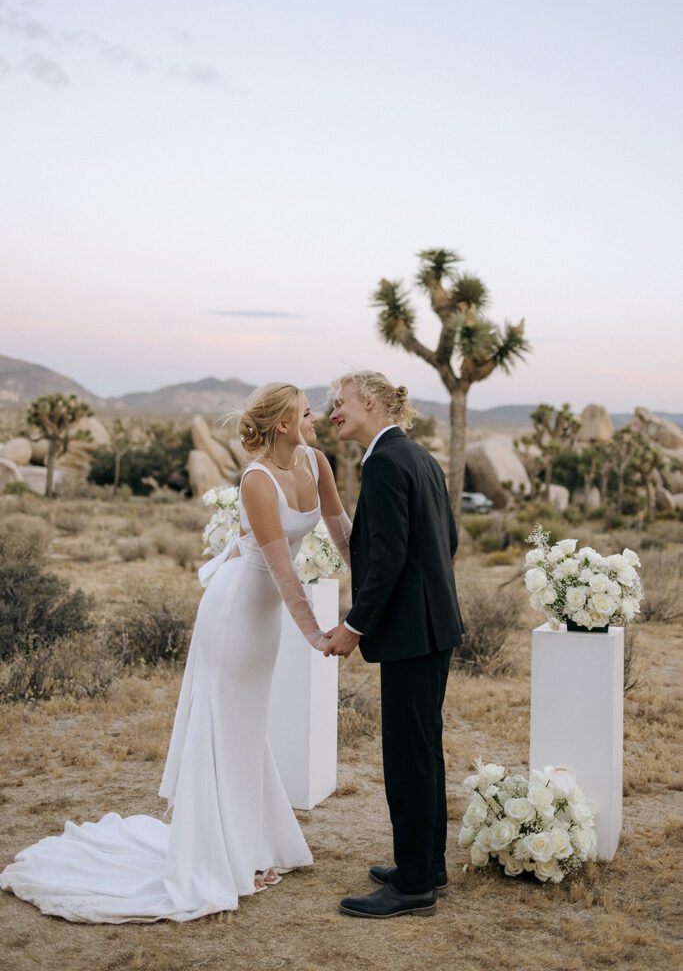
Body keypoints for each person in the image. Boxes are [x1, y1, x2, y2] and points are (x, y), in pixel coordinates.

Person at [0, 383, 352, 922]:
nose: (316, 419)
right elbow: (282, 571)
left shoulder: (318, 463)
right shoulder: (256, 481)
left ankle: (250, 847)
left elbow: (341, 532)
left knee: (246, 727)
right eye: (306, 414)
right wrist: (315, 635)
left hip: (265, 622)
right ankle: (228, 855)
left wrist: (375, 587)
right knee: (223, 727)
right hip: (236, 613)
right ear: (283, 423)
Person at [324, 370, 464, 919]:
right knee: (423, 748)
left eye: (341, 403)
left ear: (373, 403)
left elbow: (384, 559)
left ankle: (412, 886)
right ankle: (428, 865)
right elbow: (446, 539)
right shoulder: (422, 458)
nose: (333, 412)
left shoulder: (383, 462)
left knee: (407, 756)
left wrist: (354, 627)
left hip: (410, 633)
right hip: (434, 628)